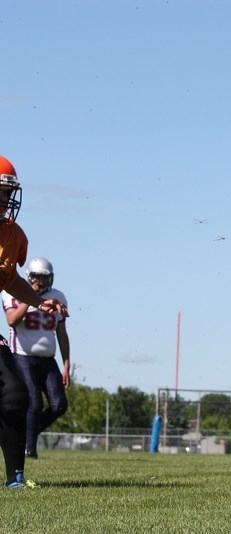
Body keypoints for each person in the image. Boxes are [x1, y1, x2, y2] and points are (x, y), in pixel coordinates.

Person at [0, 155, 67, 488]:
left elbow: (10, 279)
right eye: (1, 191)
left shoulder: (13, 235)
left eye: (9, 192)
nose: (7, 200)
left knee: (14, 396)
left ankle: (14, 477)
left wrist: (40, 302)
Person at [2, 257, 70, 459]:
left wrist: (66, 364)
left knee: (59, 404)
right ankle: (29, 449)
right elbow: (12, 321)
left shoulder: (58, 296)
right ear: (28, 277)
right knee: (34, 402)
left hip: (48, 358)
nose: (40, 281)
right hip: (22, 355)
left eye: (44, 277)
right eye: (36, 277)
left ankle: (29, 432)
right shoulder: (11, 291)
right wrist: (31, 300)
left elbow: (62, 333)